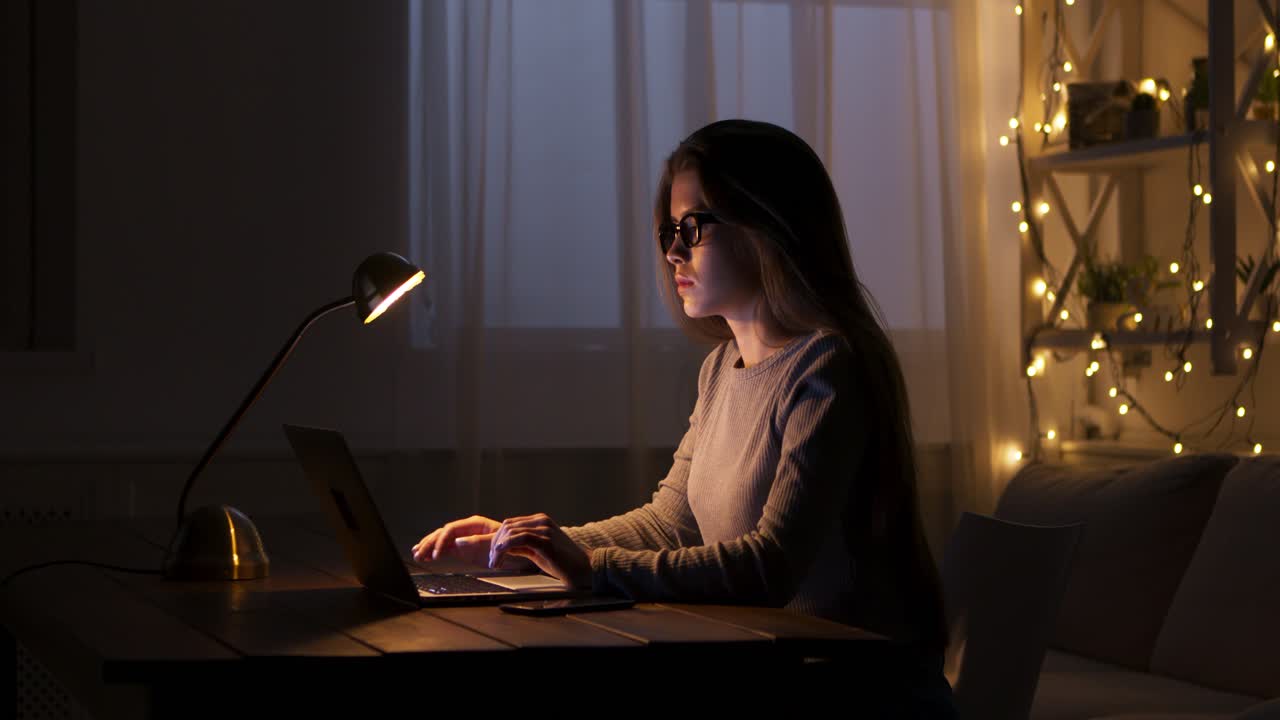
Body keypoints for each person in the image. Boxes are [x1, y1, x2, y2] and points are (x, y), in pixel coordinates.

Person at [413, 119, 955, 713]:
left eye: (694, 226)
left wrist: (589, 566)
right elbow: (671, 522)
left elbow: (768, 567)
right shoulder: (722, 368)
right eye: (671, 229)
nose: (674, 250)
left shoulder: (829, 368)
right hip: (772, 664)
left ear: (767, 227)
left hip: (854, 685)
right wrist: (529, 548)